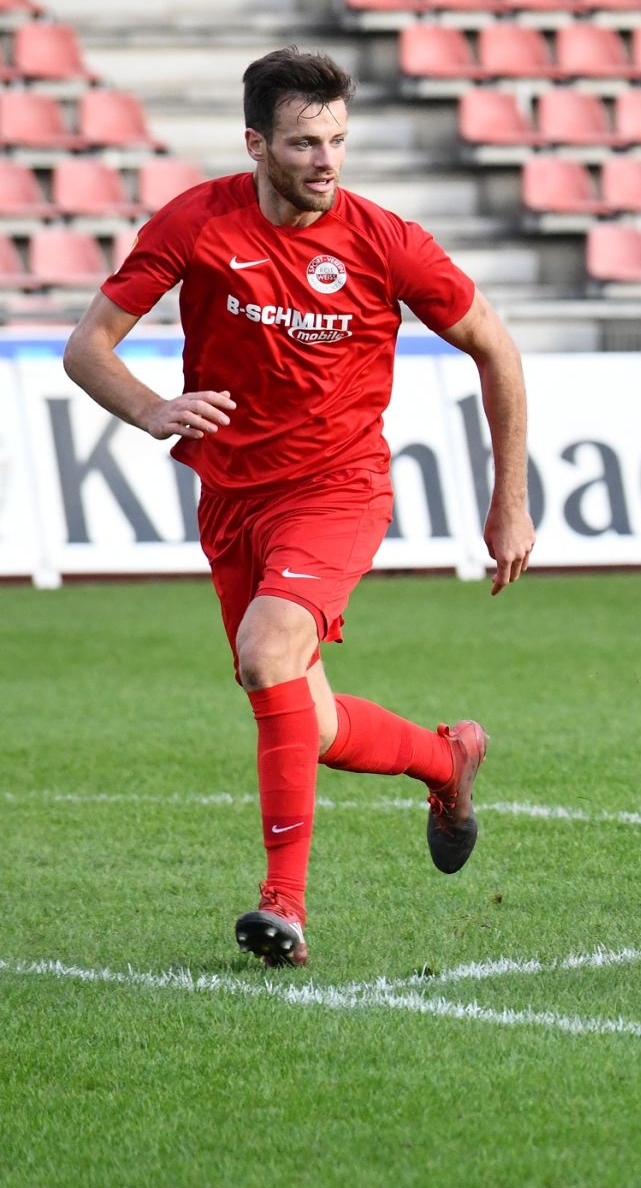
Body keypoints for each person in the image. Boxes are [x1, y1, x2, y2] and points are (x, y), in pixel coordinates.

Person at [62, 47, 535, 967]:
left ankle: (285, 907)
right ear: (255, 144)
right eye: (304, 142)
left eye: (337, 141)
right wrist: (152, 407)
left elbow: (497, 350)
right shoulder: (197, 224)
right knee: (300, 716)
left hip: (337, 488)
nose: (326, 160)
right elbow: (89, 348)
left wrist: (507, 502)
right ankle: (448, 760)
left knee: (267, 649)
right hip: (232, 498)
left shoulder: (385, 240)